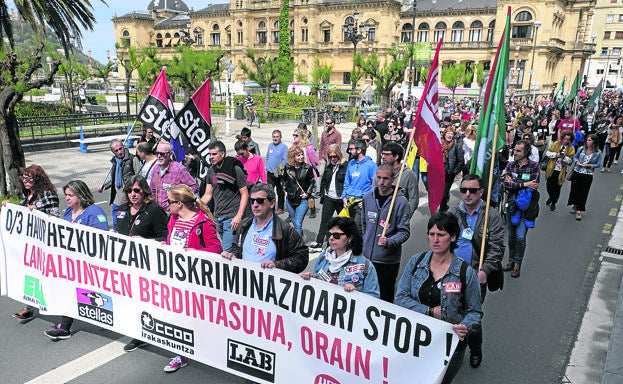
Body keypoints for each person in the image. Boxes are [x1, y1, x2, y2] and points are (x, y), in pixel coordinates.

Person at [395, 212, 483, 384]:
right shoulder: (416, 262)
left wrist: (465, 326)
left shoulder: (466, 273)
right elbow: (400, 297)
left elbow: (475, 312)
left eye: (441, 235)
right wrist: (428, 311)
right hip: (416, 339)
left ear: (453, 237)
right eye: (432, 234)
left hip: (449, 346)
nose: (435, 240)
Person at [163, 184, 222, 372]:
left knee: (198, 320)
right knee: (178, 319)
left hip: (196, 281)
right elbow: (170, 240)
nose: (167, 205)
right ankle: (181, 354)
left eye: (170, 202)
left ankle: (210, 349)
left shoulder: (203, 223)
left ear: (180, 203)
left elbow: (216, 249)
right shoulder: (173, 219)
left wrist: (196, 252)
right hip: (175, 277)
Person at [448, 174, 505, 368]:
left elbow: (497, 247)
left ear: (481, 192)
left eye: (472, 190)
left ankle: (475, 349)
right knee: (450, 312)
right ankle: (453, 350)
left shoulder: (492, 215)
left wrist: (485, 270)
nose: (467, 194)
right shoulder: (453, 212)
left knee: (471, 317)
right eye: (463, 190)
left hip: (475, 274)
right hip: (453, 273)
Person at [44, 180, 108, 340]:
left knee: (95, 293)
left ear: (80, 194)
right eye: (66, 195)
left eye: (71, 195)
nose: (67, 198)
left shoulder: (94, 212)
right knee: (69, 291)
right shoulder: (67, 212)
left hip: (89, 262)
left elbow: (102, 237)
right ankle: (65, 327)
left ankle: (108, 316)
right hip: (71, 263)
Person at [116, 175, 168, 352]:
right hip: (125, 262)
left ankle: (140, 334)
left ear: (145, 191)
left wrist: (147, 241)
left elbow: (164, 238)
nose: (133, 194)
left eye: (136, 190)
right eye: (129, 191)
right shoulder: (122, 209)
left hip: (147, 264)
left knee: (143, 301)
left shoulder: (154, 210)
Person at [8, 165, 60, 321]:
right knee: (30, 274)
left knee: (47, 275)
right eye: (23, 177)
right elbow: (21, 212)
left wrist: (36, 211)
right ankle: (29, 306)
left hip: (45, 242)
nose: (25, 181)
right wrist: (9, 208)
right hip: (30, 243)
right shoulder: (27, 195)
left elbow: (54, 217)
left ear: (38, 178)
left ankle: (56, 302)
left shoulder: (47, 195)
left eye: (29, 178)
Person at [222, 183, 309, 273]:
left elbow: (301, 257)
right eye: (252, 200)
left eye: (260, 201)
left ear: (272, 203)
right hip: (245, 282)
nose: (255, 205)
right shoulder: (244, 225)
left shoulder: (285, 230)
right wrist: (233, 255)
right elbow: (236, 247)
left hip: (270, 284)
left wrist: (277, 265)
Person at [362, 164, 410, 302]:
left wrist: (389, 241)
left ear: (393, 179)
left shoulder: (401, 202)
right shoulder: (367, 198)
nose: (381, 182)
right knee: (365, 295)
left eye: (385, 179)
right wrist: (366, 242)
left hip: (387, 262)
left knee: (384, 298)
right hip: (367, 259)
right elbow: (364, 225)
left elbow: (404, 232)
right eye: (379, 178)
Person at [301, 217, 380, 297]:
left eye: (336, 235)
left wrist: (356, 294)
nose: (331, 238)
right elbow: (315, 285)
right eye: (329, 234)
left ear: (349, 238)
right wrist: (310, 278)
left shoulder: (366, 265)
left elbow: (374, 297)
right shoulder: (323, 257)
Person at [201, 140, 249, 252]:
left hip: (231, 218)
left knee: (226, 251)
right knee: (221, 250)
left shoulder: (235, 169)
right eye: (210, 154)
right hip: (217, 217)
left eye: (214, 154)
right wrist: (195, 206)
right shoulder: (211, 171)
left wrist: (238, 216)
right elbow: (208, 195)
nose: (211, 157)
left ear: (222, 154)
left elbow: (245, 193)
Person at [501, 139, 540, 278]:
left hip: (527, 207)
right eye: (514, 150)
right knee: (511, 236)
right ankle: (511, 260)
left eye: (518, 151)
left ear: (526, 152)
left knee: (520, 236)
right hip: (511, 206)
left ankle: (518, 263)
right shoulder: (510, 165)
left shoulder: (534, 166)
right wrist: (524, 184)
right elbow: (506, 184)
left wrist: (515, 183)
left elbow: (535, 185)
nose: (515, 153)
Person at [310, 144, 348, 251]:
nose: (333, 159)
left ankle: (340, 244)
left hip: (340, 198)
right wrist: (322, 193)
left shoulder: (345, 166)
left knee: (342, 223)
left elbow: (347, 182)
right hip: (329, 197)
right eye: (330, 156)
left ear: (339, 155)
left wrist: (346, 197)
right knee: (325, 221)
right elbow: (324, 181)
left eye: (335, 156)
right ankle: (319, 242)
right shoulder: (329, 165)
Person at [149, 141, 198, 213]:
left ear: (170, 154)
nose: (159, 156)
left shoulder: (179, 170)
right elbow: (152, 191)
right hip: (158, 213)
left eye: (162, 154)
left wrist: (179, 198)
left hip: (174, 214)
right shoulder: (156, 169)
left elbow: (194, 187)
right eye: (157, 153)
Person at [98, 139, 135, 231]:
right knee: (115, 213)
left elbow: (139, 177)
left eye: (120, 148)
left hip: (127, 195)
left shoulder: (132, 159)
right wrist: (104, 186)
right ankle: (115, 229)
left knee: (125, 216)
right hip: (116, 195)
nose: (119, 152)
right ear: (113, 152)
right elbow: (113, 179)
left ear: (123, 147)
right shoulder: (115, 161)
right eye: (116, 150)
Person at [342, 139, 378, 233]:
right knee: (349, 229)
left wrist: (367, 200)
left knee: (358, 228)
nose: (349, 151)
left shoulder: (371, 166)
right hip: (350, 202)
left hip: (361, 203)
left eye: (351, 149)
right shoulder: (351, 163)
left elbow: (375, 186)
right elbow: (347, 182)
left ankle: (361, 247)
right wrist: (344, 197)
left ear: (359, 150)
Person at [380, 142, 419, 219]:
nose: (383, 157)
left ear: (396, 156)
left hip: (399, 217)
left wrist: (405, 216)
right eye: (382, 154)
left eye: (387, 155)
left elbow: (413, 199)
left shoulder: (408, 174)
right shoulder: (380, 171)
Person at [568, 134, 602, 221]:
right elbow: (575, 157)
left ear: (594, 142)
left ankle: (579, 210)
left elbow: (598, 164)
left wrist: (590, 165)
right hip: (577, 172)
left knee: (584, 192)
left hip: (588, 174)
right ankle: (575, 204)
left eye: (590, 140)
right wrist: (577, 162)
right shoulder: (581, 149)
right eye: (587, 140)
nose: (588, 142)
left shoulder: (598, 153)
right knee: (575, 189)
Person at [282, 146, 315, 235]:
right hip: (290, 198)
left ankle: (298, 245)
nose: (301, 157)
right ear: (293, 157)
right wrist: (285, 190)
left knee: (298, 223)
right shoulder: (287, 167)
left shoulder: (307, 168)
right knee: (294, 221)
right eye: (298, 155)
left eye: (301, 155)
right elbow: (283, 180)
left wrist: (307, 193)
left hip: (302, 199)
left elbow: (312, 181)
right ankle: (299, 235)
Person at [544, 131, 575, 211]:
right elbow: (548, 153)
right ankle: (551, 197)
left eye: (568, 139)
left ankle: (554, 202)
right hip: (551, 169)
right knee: (549, 186)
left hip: (561, 171)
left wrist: (564, 157)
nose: (566, 141)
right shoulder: (556, 144)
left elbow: (570, 161)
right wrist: (555, 155)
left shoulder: (571, 149)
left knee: (557, 188)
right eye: (565, 139)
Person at [292, 127, 320, 218]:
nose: (294, 137)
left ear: (301, 136)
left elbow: (315, 161)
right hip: (297, 173)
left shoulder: (308, 147)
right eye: (293, 135)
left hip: (308, 174)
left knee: (309, 194)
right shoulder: (293, 147)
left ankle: (312, 210)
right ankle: (293, 212)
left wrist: (313, 170)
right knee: (296, 192)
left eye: (296, 135)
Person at [440, 128, 464, 212]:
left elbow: (461, 161)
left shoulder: (456, 146)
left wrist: (454, 171)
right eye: (448, 133)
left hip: (448, 174)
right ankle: (444, 204)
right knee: (439, 193)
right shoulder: (440, 144)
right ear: (444, 134)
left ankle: (441, 211)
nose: (450, 135)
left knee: (444, 194)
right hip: (439, 173)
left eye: (451, 134)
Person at [266, 129, 288, 214]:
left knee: (280, 191)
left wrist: (279, 169)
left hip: (279, 174)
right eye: (274, 137)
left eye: (277, 137)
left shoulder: (283, 147)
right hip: (270, 173)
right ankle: (271, 208)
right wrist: (267, 166)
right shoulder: (270, 145)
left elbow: (285, 161)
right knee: (270, 191)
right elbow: (267, 157)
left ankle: (280, 208)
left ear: (280, 137)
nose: (275, 138)